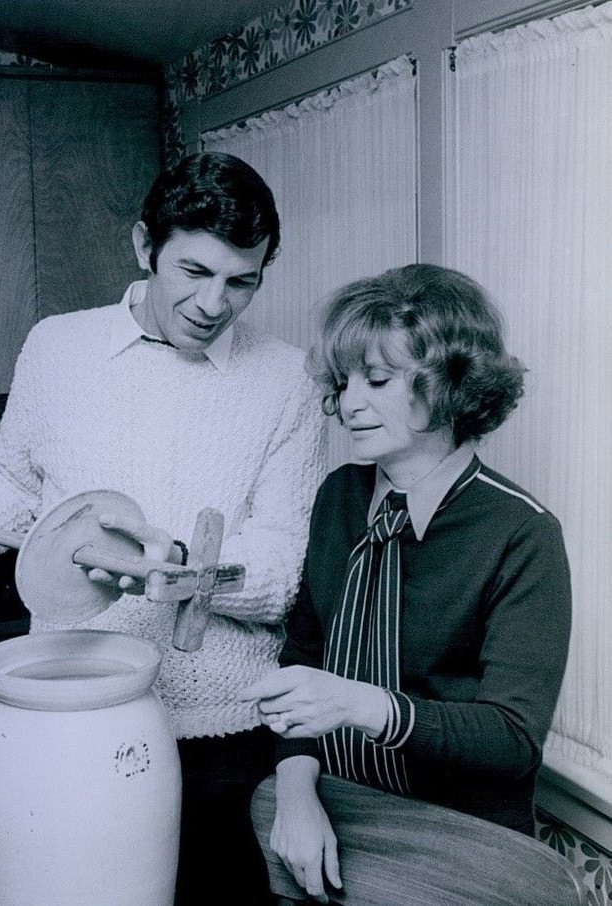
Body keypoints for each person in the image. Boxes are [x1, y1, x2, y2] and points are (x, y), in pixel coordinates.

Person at [0, 151, 327, 905]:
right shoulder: (58, 346)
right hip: (73, 710)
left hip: (224, 732)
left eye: (241, 281)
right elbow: (15, 482)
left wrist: (174, 563)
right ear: (145, 246)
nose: (215, 303)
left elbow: (281, 566)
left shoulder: (287, 380)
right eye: (193, 272)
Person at [241, 263, 571, 903]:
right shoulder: (338, 496)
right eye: (343, 382)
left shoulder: (521, 534)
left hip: (461, 844)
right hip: (334, 806)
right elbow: (304, 658)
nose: (348, 403)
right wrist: (297, 793)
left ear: (451, 382)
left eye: (378, 379)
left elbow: (512, 739)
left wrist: (363, 706)